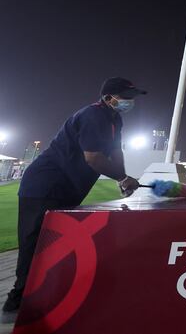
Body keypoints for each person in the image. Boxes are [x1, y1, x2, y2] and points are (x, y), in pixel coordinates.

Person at [2, 77, 145, 316]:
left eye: (132, 98)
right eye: (126, 97)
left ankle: (48, 294)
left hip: (66, 188)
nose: (130, 102)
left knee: (56, 245)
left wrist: (122, 176)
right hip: (44, 186)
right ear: (109, 98)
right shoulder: (93, 116)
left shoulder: (114, 119)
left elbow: (116, 151)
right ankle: (17, 302)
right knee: (35, 244)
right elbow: (93, 157)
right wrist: (122, 178)